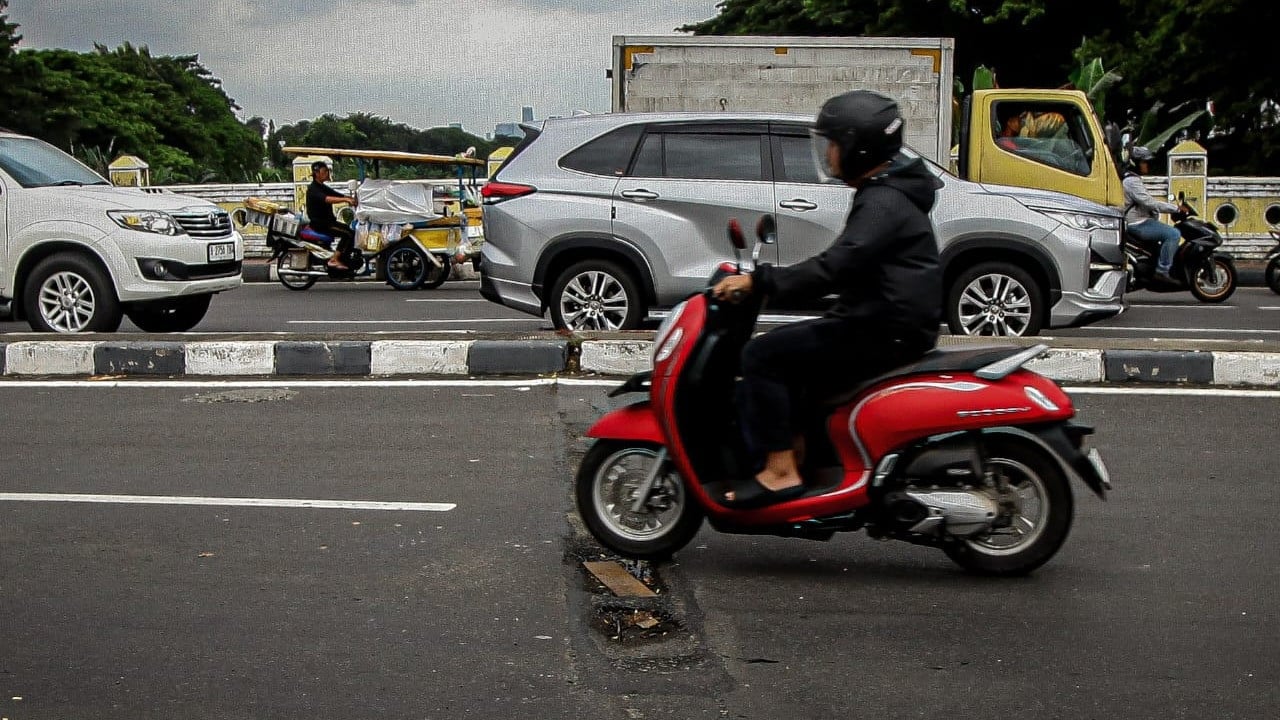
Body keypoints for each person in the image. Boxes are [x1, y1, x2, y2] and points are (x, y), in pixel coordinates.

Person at [711, 90, 943, 508]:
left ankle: (781, 472)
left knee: (763, 356)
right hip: (885, 320)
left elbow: (837, 265)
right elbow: (847, 265)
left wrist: (760, 283)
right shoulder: (888, 192)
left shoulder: (883, 200)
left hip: (884, 329)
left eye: (834, 144)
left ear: (860, 148)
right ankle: (799, 450)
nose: (829, 154)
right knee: (797, 359)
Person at [1123, 146, 1183, 283]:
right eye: (1145, 162)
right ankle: (1162, 271)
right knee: (1174, 234)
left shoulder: (1132, 179)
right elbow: (1149, 202)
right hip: (1137, 223)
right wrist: (1176, 209)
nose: (1147, 165)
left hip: (1139, 220)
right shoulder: (1132, 182)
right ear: (1136, 163)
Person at [305, 160, 358, 270]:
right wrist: (345, 199)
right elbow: (328, 199)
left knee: (348, 230)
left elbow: (334, 193)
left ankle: (344, 259)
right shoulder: (313, 189)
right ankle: (335, 259)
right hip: (321, 223)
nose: (327, 174)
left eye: (327, 171)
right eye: (324, 171)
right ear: (317, 173)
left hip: (327, 221)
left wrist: (348, 198)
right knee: (349, 233)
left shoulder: (321, 186)